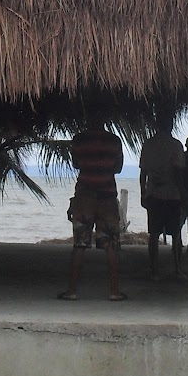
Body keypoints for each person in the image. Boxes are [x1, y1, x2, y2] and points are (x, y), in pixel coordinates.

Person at [59, 124, 127, 300]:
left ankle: (72, 291)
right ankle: (114, 291)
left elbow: (76, 164)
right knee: (111, 244)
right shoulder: (114, 141)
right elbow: (118, 168)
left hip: (84, 195)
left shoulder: (79, 140)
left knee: (79, 245)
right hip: (107, 196)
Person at [138, 118, 186, 280]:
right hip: (172, 195)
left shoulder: (148, 145)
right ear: (171, 126)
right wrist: (183, 194)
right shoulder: (176, 145)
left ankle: (154, 271)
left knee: (154, 234)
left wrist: (142, 193)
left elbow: (143, 173)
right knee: (176, 234)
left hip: (153, 194)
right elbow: (178, 172)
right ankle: (178, 269)